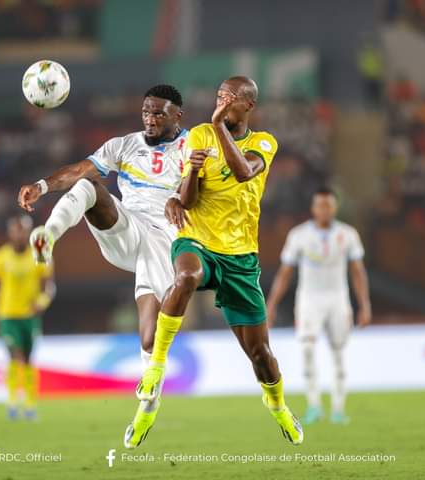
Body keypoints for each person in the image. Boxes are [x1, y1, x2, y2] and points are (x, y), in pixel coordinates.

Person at [127, 76, 303, 449]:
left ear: (248, 105)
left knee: (261, 355)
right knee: (186, 275)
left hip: (240, 256)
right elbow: (188, 200)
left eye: (230, 97)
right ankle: (156, 367)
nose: (221, 102)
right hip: (198, 239)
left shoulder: (264, 142)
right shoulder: (200, 135)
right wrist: (190, 173)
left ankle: (278, 406)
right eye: (219, 95)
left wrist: (219, 126)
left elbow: (243, 172)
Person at [17, 85, 187, 426]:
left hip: (164, 239)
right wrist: (42, 186)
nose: (150, 119)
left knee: (150, 334)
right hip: (127, 230)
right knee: (87, 186)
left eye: (158, 113)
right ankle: (47, 237)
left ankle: (149, 398)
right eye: (146, 112)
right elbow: (79, 169)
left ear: (177, 115)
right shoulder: (124, 145)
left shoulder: (193, 146)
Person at [266, 187, 372, 425]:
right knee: (307, 349)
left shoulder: (348, 234)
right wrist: (271, 305)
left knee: (338, 352)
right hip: (308, 300)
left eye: (328, 205)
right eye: (320, 205)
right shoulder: (299, 235)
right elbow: (285, 272)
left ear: (335, 207)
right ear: (313, 208)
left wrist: (364, 305)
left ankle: (338, 409)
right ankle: (314, 405)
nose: (324, 210)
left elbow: (358, 271)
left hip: (338, 299)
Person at [0, 215, 55, 421]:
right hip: (7, 315)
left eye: (23, 231)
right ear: (10, 233)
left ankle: (30, 404)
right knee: (15, 356)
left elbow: (49, 286)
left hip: (29, 316)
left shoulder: (39, 255)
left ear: (29, 233)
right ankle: (12, 401)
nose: (19, 235)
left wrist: (42, 302)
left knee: (27, 359)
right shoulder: (0, 257)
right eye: (16, 230)